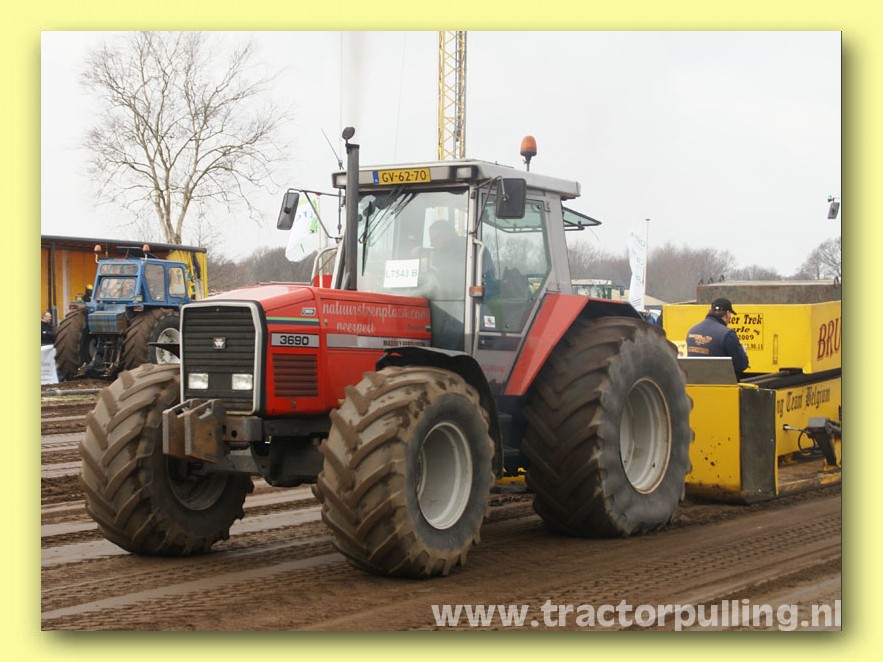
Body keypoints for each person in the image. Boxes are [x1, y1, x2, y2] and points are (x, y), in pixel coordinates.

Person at [686, 297, 749, 377]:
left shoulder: (691, 331)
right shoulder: (727, 334)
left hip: (695, 381)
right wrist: (743, 352)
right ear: (727, 314)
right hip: (720, 382)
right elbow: (741, 365)